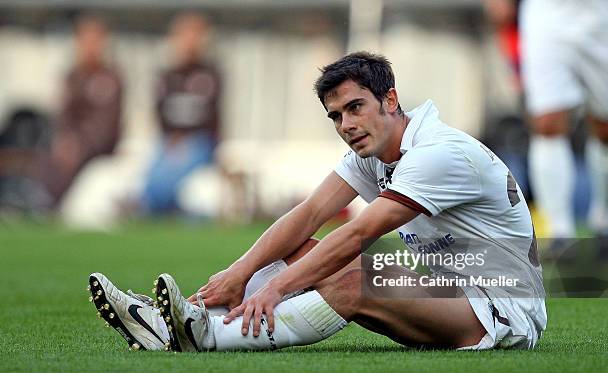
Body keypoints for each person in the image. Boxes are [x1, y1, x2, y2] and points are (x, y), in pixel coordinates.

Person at [88, 52, 546, 352]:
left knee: (355, 281)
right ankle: (181, 319)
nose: (346, 124)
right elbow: (307, 214)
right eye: (336, 116)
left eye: (355, 107)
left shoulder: (438, 154)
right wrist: (236, 275)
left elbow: (360, 233)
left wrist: (276, 289)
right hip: (452, 293)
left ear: (390, 100)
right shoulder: (374, 149)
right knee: (301, 247)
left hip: (503, 309)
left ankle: (205, 338)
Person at [520, 0, 608, 257]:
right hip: (547, 14)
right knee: (547, 122)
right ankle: (559, 233)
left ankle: (605, 221)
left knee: (606, 129)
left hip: (603, 16)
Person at [139, 12, 221, 214]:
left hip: (200, 142)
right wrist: (172, 140)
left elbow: (212, 118)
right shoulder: (166, 76)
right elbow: (159, 113)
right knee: (152, 182)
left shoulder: (211, 74)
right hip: (169, 141)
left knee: (172, 180)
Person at [43, 16, 123, 207]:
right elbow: (63, 116)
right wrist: (65, 139)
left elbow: (105, 127)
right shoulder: (72, 77)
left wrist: (79, 143)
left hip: (97, 152)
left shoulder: (110, 78)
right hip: (70, 148)